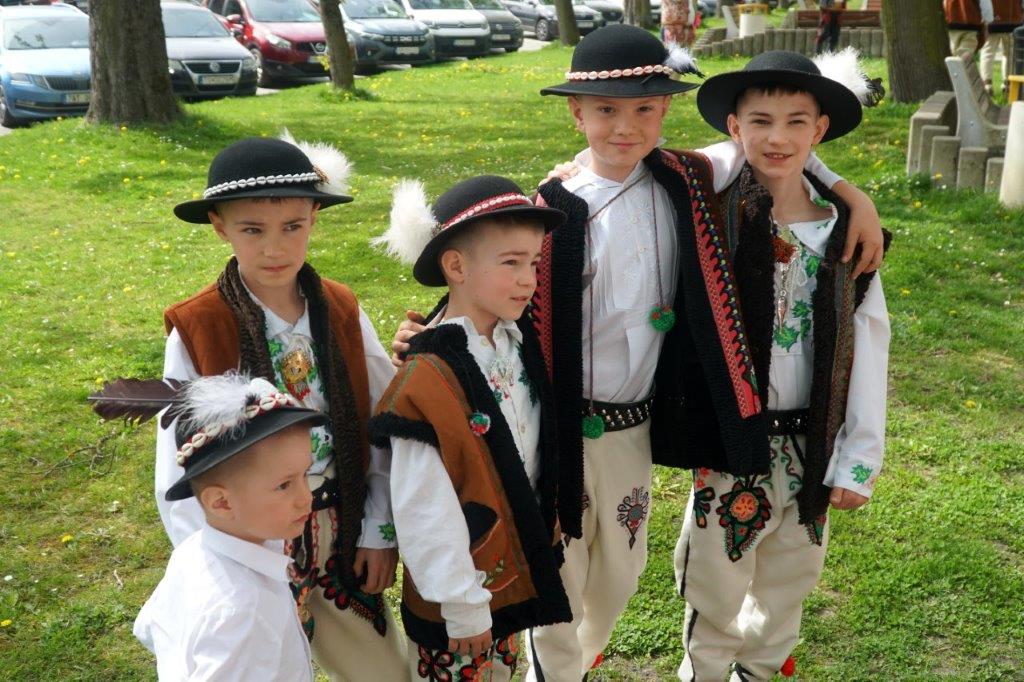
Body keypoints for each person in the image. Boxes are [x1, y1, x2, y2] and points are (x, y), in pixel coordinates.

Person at [392, 25, 885, 681]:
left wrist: (851, 193)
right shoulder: (554, 206)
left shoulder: (688, 176)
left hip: (635, 427)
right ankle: (556, 673)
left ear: (666, 110)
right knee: (562, 568)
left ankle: (580, 660)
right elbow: (498, 281)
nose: (625, 127)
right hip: (561, 428)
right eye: (606, 111)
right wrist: (433, 333)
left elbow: (776, 147)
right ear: (577, 113)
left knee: (621, 573)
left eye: (645, 109)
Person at [673, 49, 890, 681]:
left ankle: (760, 672)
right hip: (732, 438)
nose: (778, 138)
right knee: (714, 579)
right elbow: (656, 166)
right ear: (733, 127)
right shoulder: (713, 216)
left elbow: (869, 343)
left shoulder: (846, 234)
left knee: (791, 578)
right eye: (760, 121)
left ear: (820, 130)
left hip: (811, 439)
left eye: (797, 122)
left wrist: (859, 454)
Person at [157, 135, 407, 679]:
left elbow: (380, 422)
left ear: (314, 217)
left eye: (292, 226)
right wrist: (219, 564)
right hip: (252, 539)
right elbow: (180, 464)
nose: (275, 248)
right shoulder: (199, 327)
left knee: (385, 671)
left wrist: (377, 528)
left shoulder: (340, 309)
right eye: (253, 230)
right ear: (219, 226)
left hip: (342, 527)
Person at [369, 175, 572, 680]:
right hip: (459, 598)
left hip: (506, 573)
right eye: (511, 263)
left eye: (534, 263)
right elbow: (424, 507)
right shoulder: (426, 379)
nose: (528, 280)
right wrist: (461, 603)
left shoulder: (516, 342)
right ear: (456, 267)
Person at [93, 373, 324, 680]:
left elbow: (153, 627)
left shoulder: (192, 551)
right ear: (221, 503)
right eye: (284, 485)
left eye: (305, 474)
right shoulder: (243, 610)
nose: (306, 497)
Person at [980, 0, 1024, 94]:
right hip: (1012, 20)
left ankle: (987, 84)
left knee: (988, 53)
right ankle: (1007, 84)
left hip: (992, 20)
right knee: (1009, 54)